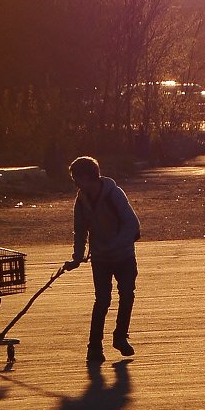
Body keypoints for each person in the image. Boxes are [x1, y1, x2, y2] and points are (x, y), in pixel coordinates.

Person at [63, 156, 142, 364]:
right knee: (102, 301)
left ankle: (120, 337)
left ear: (89, 177)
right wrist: (77, 258)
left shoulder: (114, 194)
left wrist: (114, 245)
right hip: (100, 259)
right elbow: (79, 231)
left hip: (124, 256)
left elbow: (132, 225)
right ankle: (94, 347)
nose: (75, 183)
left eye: (76, 178)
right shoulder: (81, 200)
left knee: (126, 294)